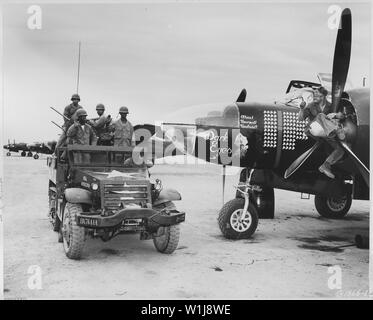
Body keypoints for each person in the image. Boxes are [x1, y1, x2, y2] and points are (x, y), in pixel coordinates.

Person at [298, 86, 346, 179]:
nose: (314, 97)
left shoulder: (330, 106)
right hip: (313, 129)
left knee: (340, 150)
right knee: (321, 115)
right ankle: (337, 130)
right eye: (314, 95)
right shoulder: (311, 106)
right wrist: (302, 109)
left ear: (323, 96)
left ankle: (326, 165)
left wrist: (338, 116)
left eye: (317, 95)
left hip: (325, 132)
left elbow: (336, 116)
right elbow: (300, 119)